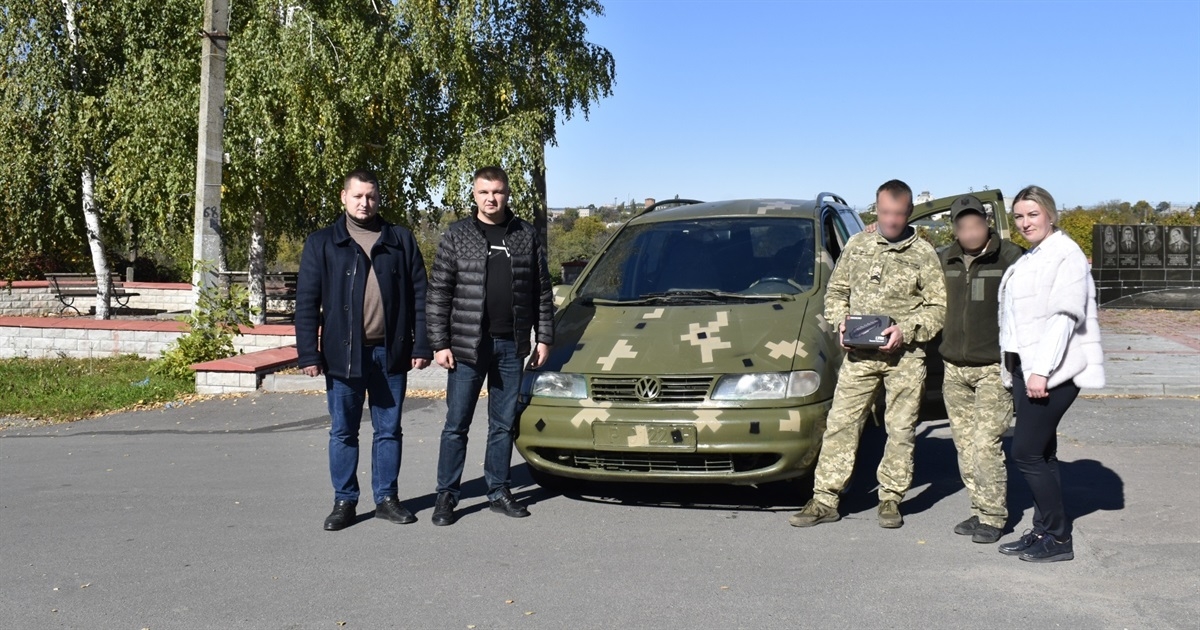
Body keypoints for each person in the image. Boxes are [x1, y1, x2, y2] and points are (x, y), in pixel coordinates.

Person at [790, 179, 946, 529]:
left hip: (904, 358)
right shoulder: (857, 246)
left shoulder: (922, 254)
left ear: (908, 213)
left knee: (901, 429)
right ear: (877, 209)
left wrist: (905, 329)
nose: (892, 221)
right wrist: (840, 324)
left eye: (899, 214)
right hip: (859, 357)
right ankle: (825, 499)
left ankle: (890, 498)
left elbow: (938, 308)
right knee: (841, 424)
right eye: (886, 213)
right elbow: (836, 293)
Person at [295, 169, 433, 531]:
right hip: (344, 356)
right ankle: (345, 501)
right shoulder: (323, 242)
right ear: (343, 197)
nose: (364, 203)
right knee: (343, 431)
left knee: (389, 430)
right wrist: (308, 353)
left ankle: (387, 498)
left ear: (378, 198)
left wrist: (422, 344)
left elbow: (421, 296)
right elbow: (307, 302)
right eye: (357, 196)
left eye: (370, 196)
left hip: (391, 354)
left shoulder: (399, 239)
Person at [426, 166, 554, 526]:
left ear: (507, 194)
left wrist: (543, 337)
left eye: (497, 191)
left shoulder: (525, 236)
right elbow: (438, 293)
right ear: (474, 194)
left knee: (502, 424)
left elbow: (541, 292)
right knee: (456, 424)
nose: (491, 198)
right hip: (467, 346)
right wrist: (439, 342)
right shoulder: (457, 235)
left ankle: (498, 490)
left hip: (511, 345)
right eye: (484, 192)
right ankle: (446, 495)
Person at [997, 185, 1105, 563]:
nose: (1026, 222)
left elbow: (1062, 318)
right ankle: (1044, 530)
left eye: (1033, 214)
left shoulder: (1065, 254)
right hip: (1027, 369)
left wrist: (1040, 372)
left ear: (1051, 214)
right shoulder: (1034, 256)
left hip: (1052, 372)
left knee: (1025, 452)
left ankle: (1059, 539)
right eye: (1020, 217)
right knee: (1043, 453)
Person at [939, 195, 1024, 544]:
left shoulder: (1010, 257)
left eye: (975, 224)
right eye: (962, 226)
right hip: (953, 369)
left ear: (986, 223)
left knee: (986, 444)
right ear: (955, 229)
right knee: (964, 444)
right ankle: (979, 508)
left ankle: (993, 515)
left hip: (992, 368)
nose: (969, 231)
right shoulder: (943, 258)